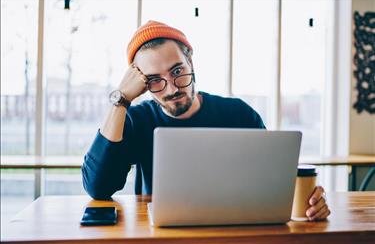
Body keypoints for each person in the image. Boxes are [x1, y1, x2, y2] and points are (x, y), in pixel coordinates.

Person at [82, 20, 330, 221]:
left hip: (234, 232)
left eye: (177, 71)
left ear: (191, 62)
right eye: (155, 80)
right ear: (142, 84)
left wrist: (312, 201)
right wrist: (121, 99)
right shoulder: (136, 120)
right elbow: (98, 188)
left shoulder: (239, 114)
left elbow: (276, 181)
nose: (171, 89)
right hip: (159, 236)